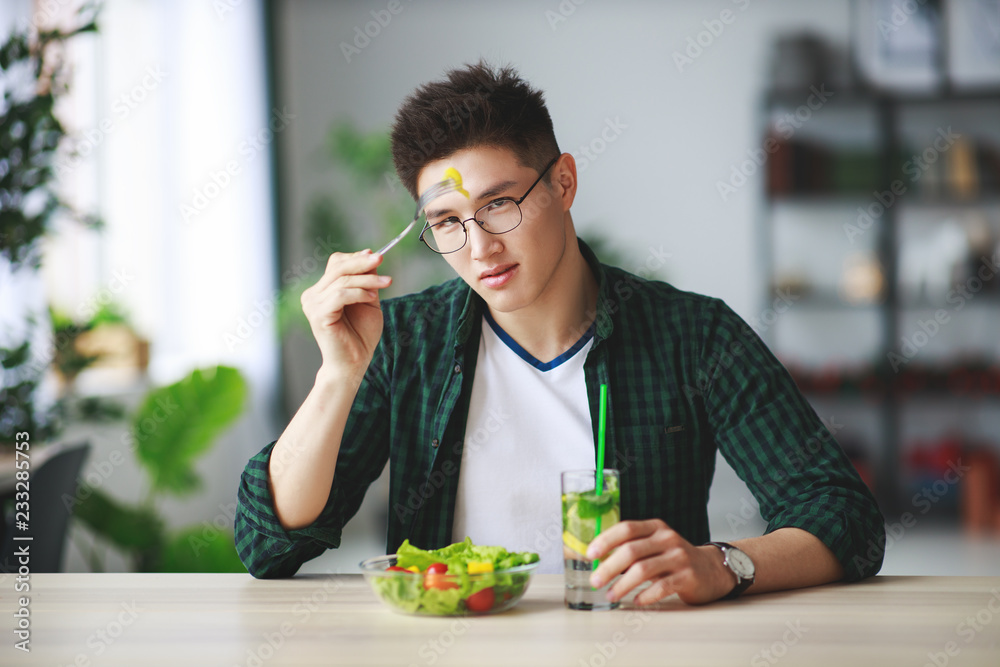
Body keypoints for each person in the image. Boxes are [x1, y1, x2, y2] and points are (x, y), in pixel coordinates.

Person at [235, 61, 885, 606]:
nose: (481, 246)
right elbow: (268, 543)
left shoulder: (695, 335)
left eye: (499, 204)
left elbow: (842, 514)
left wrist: (725, 564)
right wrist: (337, 375)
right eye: (447, 221)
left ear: (564, 182)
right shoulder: (404, 341)